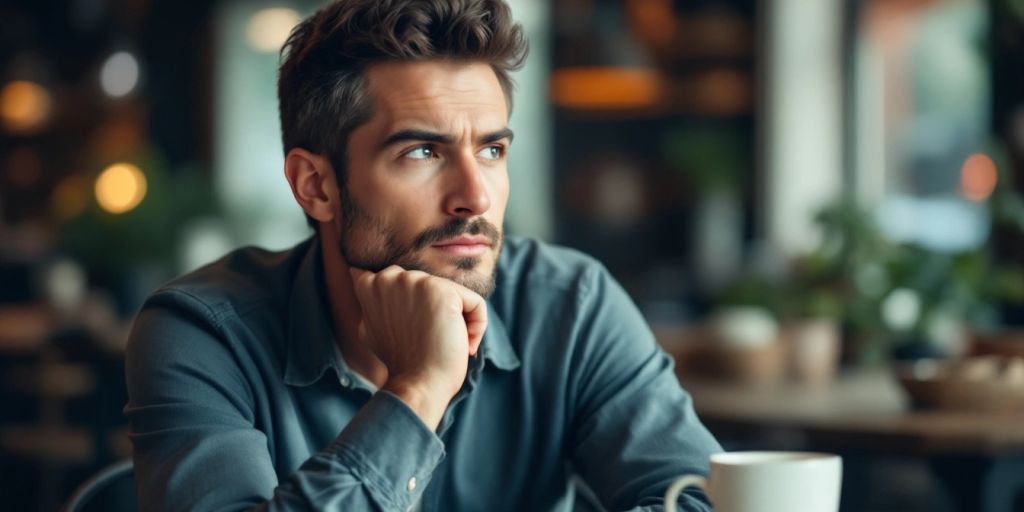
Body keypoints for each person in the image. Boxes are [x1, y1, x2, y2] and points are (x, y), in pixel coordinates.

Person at [124, 0, 722, 510]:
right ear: (317, 186)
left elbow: (695, 497)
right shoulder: (202, 333)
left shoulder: (572, 306)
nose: (475, 196)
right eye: (421, 153)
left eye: (491, 151)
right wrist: (417, 390)